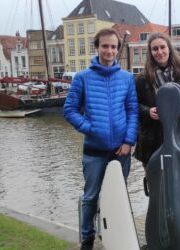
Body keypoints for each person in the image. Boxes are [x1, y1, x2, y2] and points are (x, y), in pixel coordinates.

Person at [63, 28, 139, 250]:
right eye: (105, 46)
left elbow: (133, 110)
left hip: (121, 151)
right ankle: (87, 239)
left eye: (113, 46)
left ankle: (114, 237)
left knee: (117, 197)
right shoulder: (83, 78)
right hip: (94, 152)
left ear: (118, 49)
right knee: (90, 197)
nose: (109, 50)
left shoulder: (126, 78)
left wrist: (128, 141)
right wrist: (90, 128)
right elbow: (69, 110)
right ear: (97, 48)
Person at [134, 32, 180, 166]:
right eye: (155, 49)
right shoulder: (142, 79)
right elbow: (133, 106)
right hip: (152, 142)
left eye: (162, 47)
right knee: (157, 183)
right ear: (150, 53)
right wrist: (148, 112)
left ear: (169, 49)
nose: (159, 52)